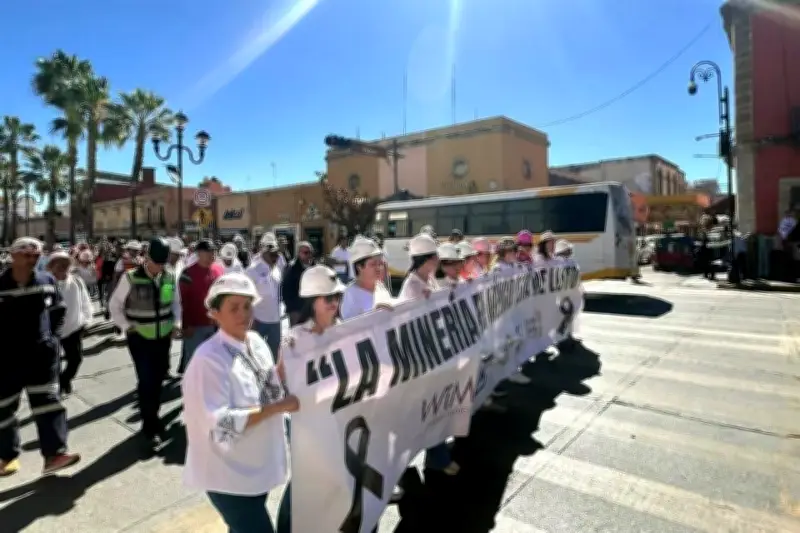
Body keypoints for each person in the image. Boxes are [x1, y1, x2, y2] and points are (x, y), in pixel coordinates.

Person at [182, 272, 297, 533]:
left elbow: (269, 388)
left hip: (255, 469)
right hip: (228, 478)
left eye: (247, 306)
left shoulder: (256, 342)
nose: (243, 314)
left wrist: (285, 361)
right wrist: (278, 407)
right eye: (233, 308)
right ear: (214, 313)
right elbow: (222, 424)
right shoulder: (207, 360)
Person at [0, 237, 81, 476]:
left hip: (41, 359)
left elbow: (59, 310)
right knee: (3, 410)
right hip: (6, 361)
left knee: (49, 405)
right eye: (27, 255)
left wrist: (52, 339)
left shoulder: (46, 281)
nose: (33, 260)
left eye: (36, 256)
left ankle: (54, 455)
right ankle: (7, 457)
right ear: (13, 256)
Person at [108, 237, 182, 450]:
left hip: (163, 337)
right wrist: (127, 327)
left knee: (158, 380)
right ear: (147, 258)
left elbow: (176, 303)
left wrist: (176, 322)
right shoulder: (130, 277)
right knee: (146, 381)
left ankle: (154, 417)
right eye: (156, 262)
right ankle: (149, 426)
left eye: (163, 262)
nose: (160, 267)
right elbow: (115, 305)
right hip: (140, 338)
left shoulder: (169, 276)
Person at [398, 233, 459, 476]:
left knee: (435, 409)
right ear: (427, 259)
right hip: (420, 360)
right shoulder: (413, 286)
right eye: (435, 256)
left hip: (433, 356)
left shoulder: (429, 280)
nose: (438, 261)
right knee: (427, 411)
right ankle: (433, 458)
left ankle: (437, 456)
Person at [48, 250, 94, 396]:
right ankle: (55, 387)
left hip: (74, 328)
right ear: (51, 266)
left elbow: (86, 301)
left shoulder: (76, 281)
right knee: (53, 363)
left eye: (65, 264)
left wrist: (87, 320)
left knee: (76, 360)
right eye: (58, 264)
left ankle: (65, 379)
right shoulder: (46, 283)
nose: (62, 267)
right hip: (52, 331)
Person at [178, 240, 224, 374]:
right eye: (208, 252)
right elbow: (182, 301)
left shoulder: (218, 270)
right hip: (195, 327)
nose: (212, 255)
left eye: (214, 251)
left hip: (215, 326)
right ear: (199, 253)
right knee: (193, 361)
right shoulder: (187, 273)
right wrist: (186, 325)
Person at [247, 233, 284, 358]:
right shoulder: (252, 270)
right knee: (255, 354)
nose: (275, 256)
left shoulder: (278, 269)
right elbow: (247, 297)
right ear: (263, 252)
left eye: (276, 254)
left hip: (275, 320)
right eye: (272, 254)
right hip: (258, 319)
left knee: (275, 354)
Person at [340, 237, 392, 319]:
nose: (379, 268)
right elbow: (349, 328)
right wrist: (373, 314)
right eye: (373, 264)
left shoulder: (380, 287)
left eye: (380, 264)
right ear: (359, 267)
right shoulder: (351, 294)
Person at [282, 241, 315, 326]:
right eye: (306, 253)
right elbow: (286, 290)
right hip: (296, 310)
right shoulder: (291, 268)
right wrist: (293, 307)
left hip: (311, 309)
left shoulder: (314, 266)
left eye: (311, 252)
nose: (309, 255)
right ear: (299, 253)